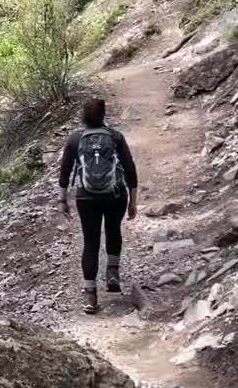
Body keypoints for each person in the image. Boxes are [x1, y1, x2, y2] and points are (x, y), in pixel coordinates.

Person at [58, 98, 139, 314]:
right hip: (115, 194)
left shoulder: (75, 139)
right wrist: (133, 199)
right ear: (103, 116)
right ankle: (112, 273)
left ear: (83, 117)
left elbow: (65, 171)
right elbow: (130, 168)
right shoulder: (115, 136)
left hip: (86, 197)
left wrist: (62, 200)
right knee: (113, 230)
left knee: (90, 241)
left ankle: (90, 296)